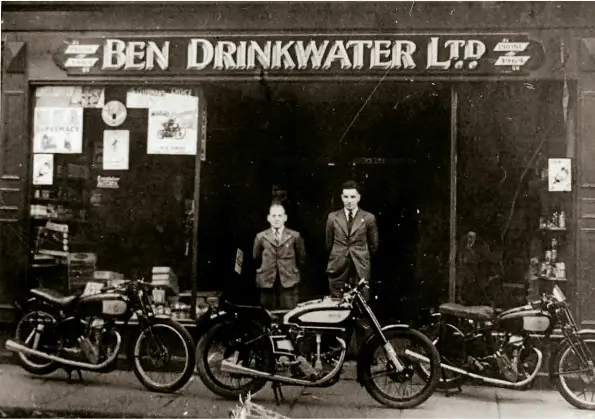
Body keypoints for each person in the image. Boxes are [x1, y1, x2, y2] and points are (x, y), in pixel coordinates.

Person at [326, 180, 379, 298]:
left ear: (358, 198)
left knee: (361, 300)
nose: (349, 201)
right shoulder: (333, 217)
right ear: (341, 197)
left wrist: (361, 255)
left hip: (360, 265)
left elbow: (373, 245)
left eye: (352, 197)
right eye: (346, 197)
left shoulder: (368, 218)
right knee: (336, 302)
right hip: (338, 266)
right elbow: (328, 244)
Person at [253, 202, 306, 310]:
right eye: (273, 216)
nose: (276, 219)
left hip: (288, 279)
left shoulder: (294, 236)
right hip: (267, 279)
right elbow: (256, 257)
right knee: (267, 311)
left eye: (279, 216)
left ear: (285, 218)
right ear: (268, 218)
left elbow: (301, 257)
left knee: (289, 309)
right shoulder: (261, 237)